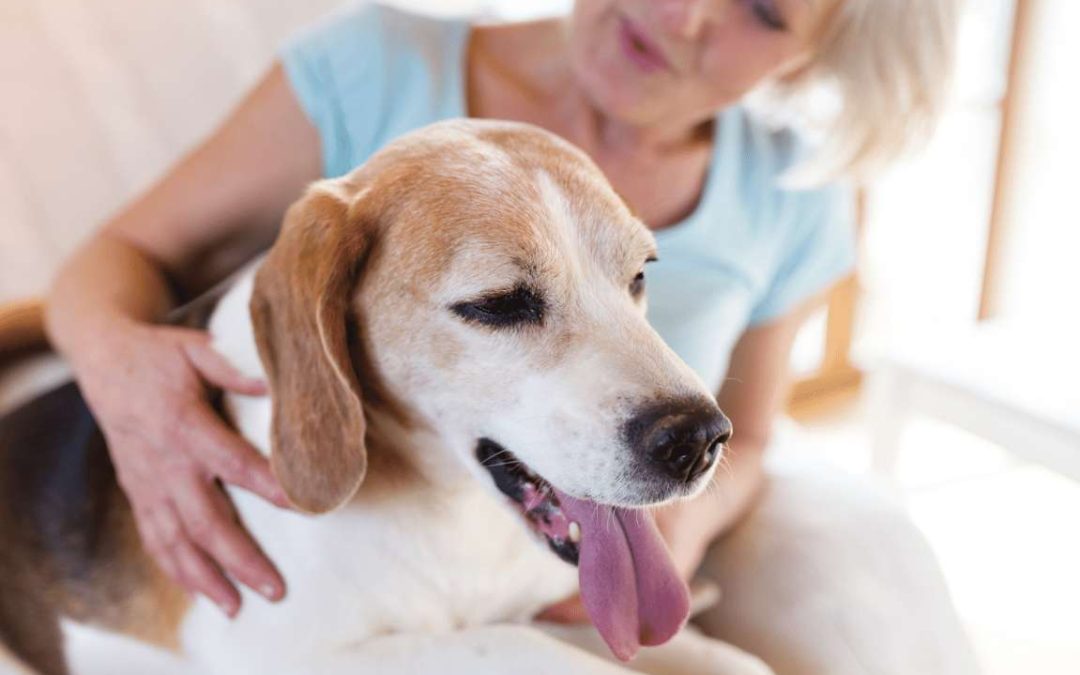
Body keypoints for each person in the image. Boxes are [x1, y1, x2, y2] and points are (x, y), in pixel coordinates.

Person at [44, 0, 974, 671]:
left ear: (806, 61)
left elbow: (755, 432)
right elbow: (116, 255)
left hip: (578, 499)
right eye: (503, 303)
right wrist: (122, 371)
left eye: (764, 12)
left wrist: (684, 527)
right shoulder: (374, 64)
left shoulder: (791, 196)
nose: (688, 14)